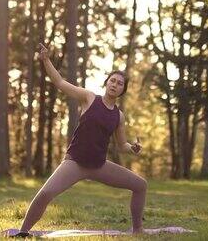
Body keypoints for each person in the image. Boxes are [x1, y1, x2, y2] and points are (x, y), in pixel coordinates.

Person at [10, 43, 147, 238]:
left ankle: (138, 230)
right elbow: (59, 82)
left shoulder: (119, 116)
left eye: (119, 83)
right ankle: (23, 232)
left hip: (99, 165)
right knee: (45, 194)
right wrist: (46, 59)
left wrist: (132, 148)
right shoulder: (89, 98)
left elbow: (121, 144)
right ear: (107, 82)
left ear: (122, 90)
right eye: (113, 81)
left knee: (140, 185)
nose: (115, 85)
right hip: (75, 162)